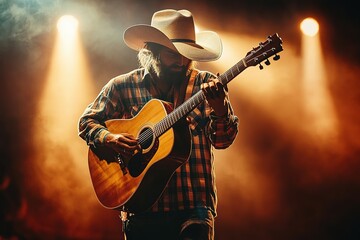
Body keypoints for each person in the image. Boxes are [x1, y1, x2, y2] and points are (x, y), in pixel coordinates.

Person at [78, 9, 239, 240]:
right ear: (152, 51)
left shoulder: (206, 85)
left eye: (186, 54)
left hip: (194, 204)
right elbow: (87, 122)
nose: (182, 61)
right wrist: (110, 138)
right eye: (174, 54)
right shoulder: (122, 86)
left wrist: (221, 110)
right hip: (141, 207)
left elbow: (222, 141)